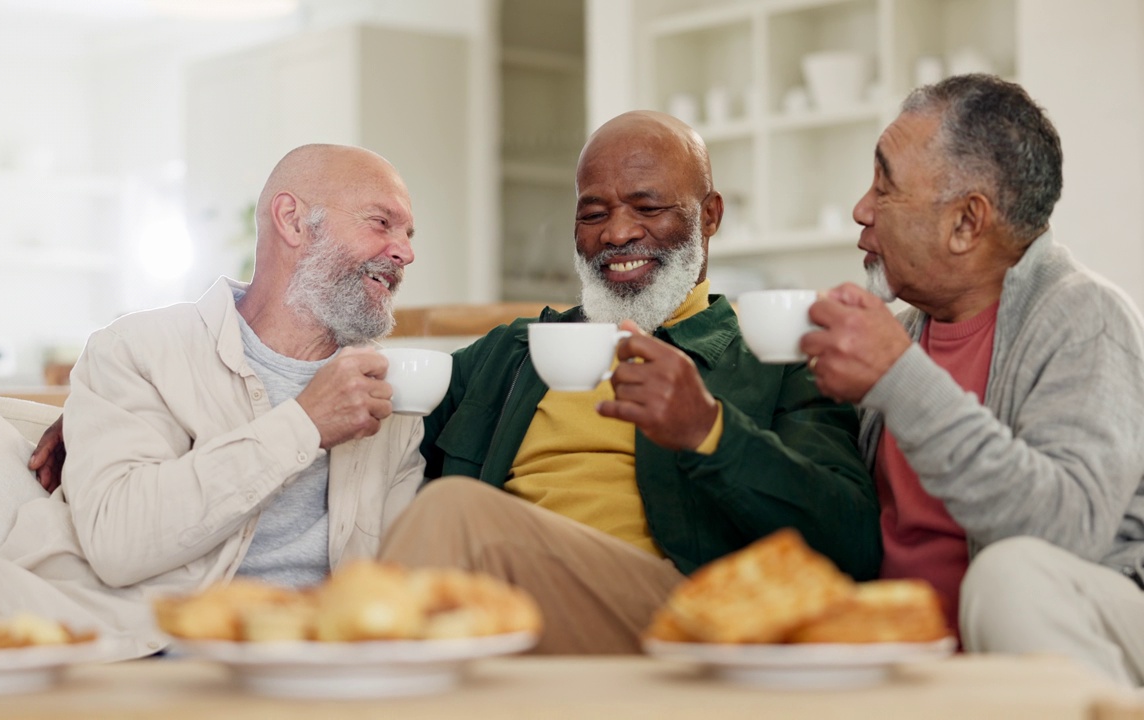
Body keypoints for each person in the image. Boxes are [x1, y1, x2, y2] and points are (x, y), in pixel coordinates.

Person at [375, 110, 881, 653]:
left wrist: (710, 432)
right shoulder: (513, 353)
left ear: (710, 216)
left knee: (455, 511)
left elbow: (850, 543)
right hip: (505, 606)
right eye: (593, 213)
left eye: (647, 207)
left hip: (670, 617)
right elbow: (374, 454)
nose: (617, 233)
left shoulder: (771, 358)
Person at [798, 74, 1144, 686]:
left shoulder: (1087, 319)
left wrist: (898, 378)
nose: (861, 210)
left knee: (1011, 579)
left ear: (965, 223)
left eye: (884, 187)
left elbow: (1065, 532)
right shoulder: (899, 334)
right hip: (939, 662)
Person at [0, 144, 425, 659]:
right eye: (382, 223)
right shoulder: (138, 348)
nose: (404, 251)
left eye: (407, 234)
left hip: (296, 664)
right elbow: (120, 545)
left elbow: (397, 583)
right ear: (293, 221)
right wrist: (304, 425)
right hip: (123, 641)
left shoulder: (395, 393)